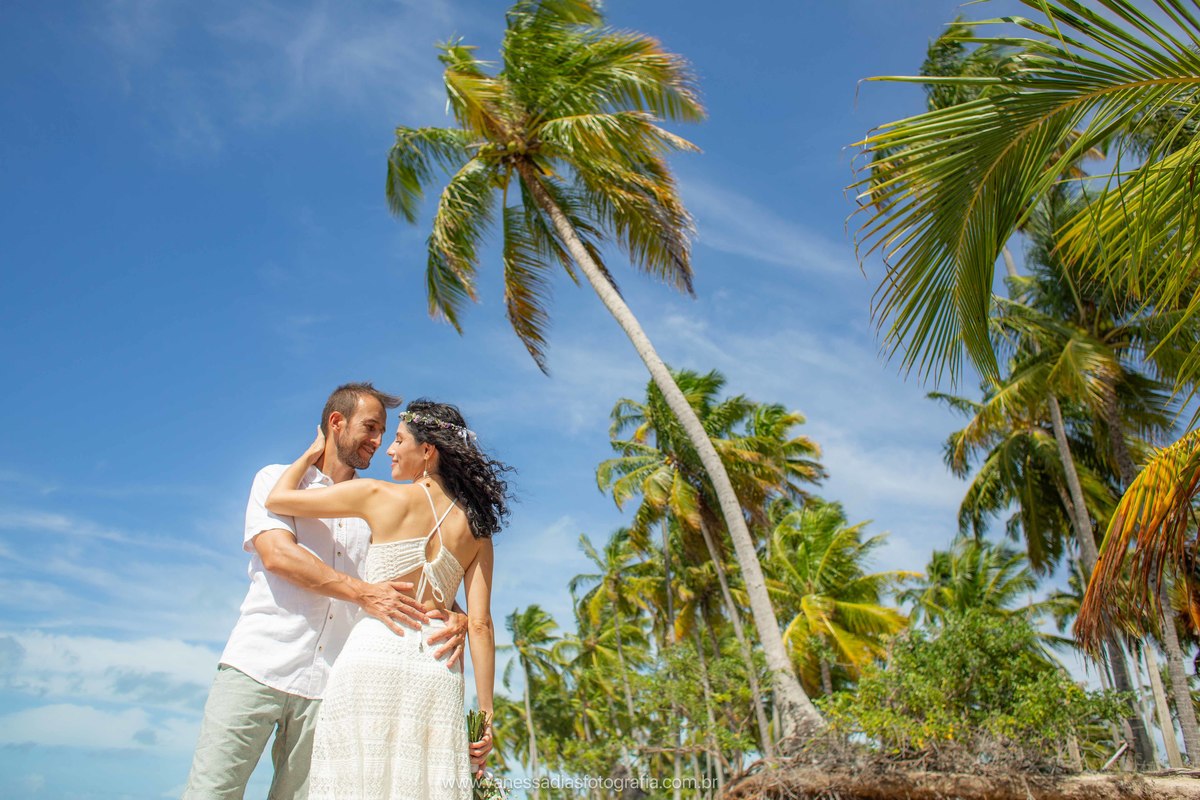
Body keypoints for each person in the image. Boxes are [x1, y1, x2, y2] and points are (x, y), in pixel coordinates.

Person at [182, 383, 487, 800]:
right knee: (212, 792)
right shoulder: (275, 479)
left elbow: (411, 580)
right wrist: (363, 592)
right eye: (371, 427)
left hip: (331, 686)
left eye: (386, 433)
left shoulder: (374, 504)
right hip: (258, 667)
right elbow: (277, 556)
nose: (379, 443)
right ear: (336, 423)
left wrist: (459, 614)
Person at [265, 399, 510, 800]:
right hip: (437, 667)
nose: (390, 450)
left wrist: (315, 449)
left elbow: (279, 498)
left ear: (427, 451)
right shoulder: (479, 531)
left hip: (372, 655)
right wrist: (486, 713)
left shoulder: (377, 495)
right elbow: (480, 624)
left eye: (398, 440)